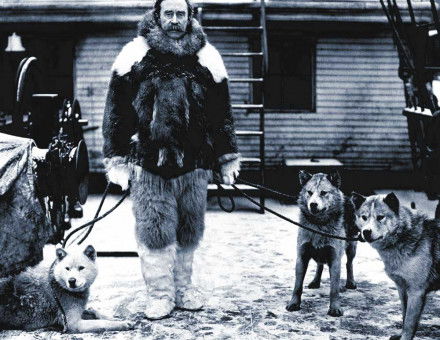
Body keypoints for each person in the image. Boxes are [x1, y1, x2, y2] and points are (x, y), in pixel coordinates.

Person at [102, 0, 240, 320]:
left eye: (181, 13)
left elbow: (222, 115)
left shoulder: (207, 58)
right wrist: (117, 157)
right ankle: (159, 294)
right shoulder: (135, 55)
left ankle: (183, 288)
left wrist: (226, 155)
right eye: (169, 13)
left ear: (190, 16)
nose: (175, 20)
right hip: (149, 164)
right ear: (157, 15)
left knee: (189, 230)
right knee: (155, 231)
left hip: (194, 165)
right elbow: (116, 112)